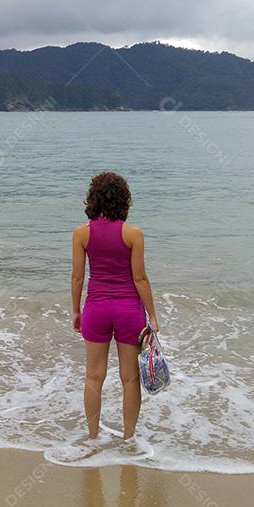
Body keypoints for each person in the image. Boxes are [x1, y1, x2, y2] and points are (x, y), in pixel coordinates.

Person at [70, 171, 159, 443]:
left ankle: (93, 437)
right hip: (128, 311)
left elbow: (77, 277)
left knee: (94, 376)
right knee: (130, 379)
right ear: (124, 200)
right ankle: (129, 439)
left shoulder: (81, 234)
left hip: (96, 309)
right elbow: (140, 278)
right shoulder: (133, 234)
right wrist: (153, 315)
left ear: (93, 199)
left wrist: (76, 311)